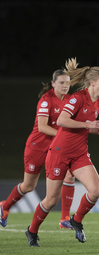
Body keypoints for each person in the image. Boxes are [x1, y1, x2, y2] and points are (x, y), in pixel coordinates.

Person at [25, 58, 99, 247]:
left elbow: (86, 128)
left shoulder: (97, 103)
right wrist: (87, 124)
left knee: (95, 191)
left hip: (79, 153)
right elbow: (61, 121)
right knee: (51, 200)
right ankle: (32, 230)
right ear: (92, 82)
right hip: (59, 153)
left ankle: (77, 220)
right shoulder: (77, 98)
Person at [0, 70, 76, 230]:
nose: (64, 86)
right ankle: (5, 206)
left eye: (67, 83)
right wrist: (63, 136)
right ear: (53, 83)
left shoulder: (70, 100)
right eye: (61, 83)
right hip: (37, 147)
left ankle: (64, 219)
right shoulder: (46, 100)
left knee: (70, 174)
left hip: (55, 149)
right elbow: (42, 127)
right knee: (29, 186)